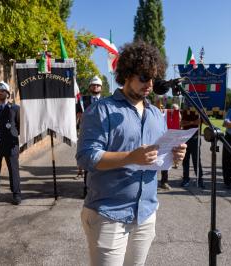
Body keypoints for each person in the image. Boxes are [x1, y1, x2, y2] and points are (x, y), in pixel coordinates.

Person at [76, 40, 187, 265]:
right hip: (108, 214)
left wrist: (175, 156)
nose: (149, 84)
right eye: (143, 77)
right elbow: (86, 156)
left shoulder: (156, 114)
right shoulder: (101, 110)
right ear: (127, 74)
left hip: (146, 213)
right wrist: (130, 157)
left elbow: (160, 156)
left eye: (153, 78)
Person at [75, 76, 103, 178]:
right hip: (86, 132)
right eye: (93, 85)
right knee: (87, 156)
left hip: (101, 133)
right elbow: (78, 114)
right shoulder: (82, 100)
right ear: (90, 87)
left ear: (101, 88)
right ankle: (86, 186)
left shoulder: (107, 101)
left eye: (98, 85)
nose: (95, 87)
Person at [180, 107, 205, 189]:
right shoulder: (186, 110)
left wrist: (202, 116)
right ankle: (186, 179)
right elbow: (181, 123)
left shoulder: (201, 109)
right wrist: (193, 122)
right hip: (185, 138)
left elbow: (207, 123)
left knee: (196, 160)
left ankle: (199, 179)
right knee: (185, 160)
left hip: (196, 138)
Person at [159, 103, 181, 190]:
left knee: (168, 160)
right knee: (162, 160)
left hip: (173, 139)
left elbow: (179, 121)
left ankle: (164, 181)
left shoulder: (177, 116)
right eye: (173, 109)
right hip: (163, 139)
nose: (174, 110)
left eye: (176, 109)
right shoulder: (165, 114)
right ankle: (163, 181)